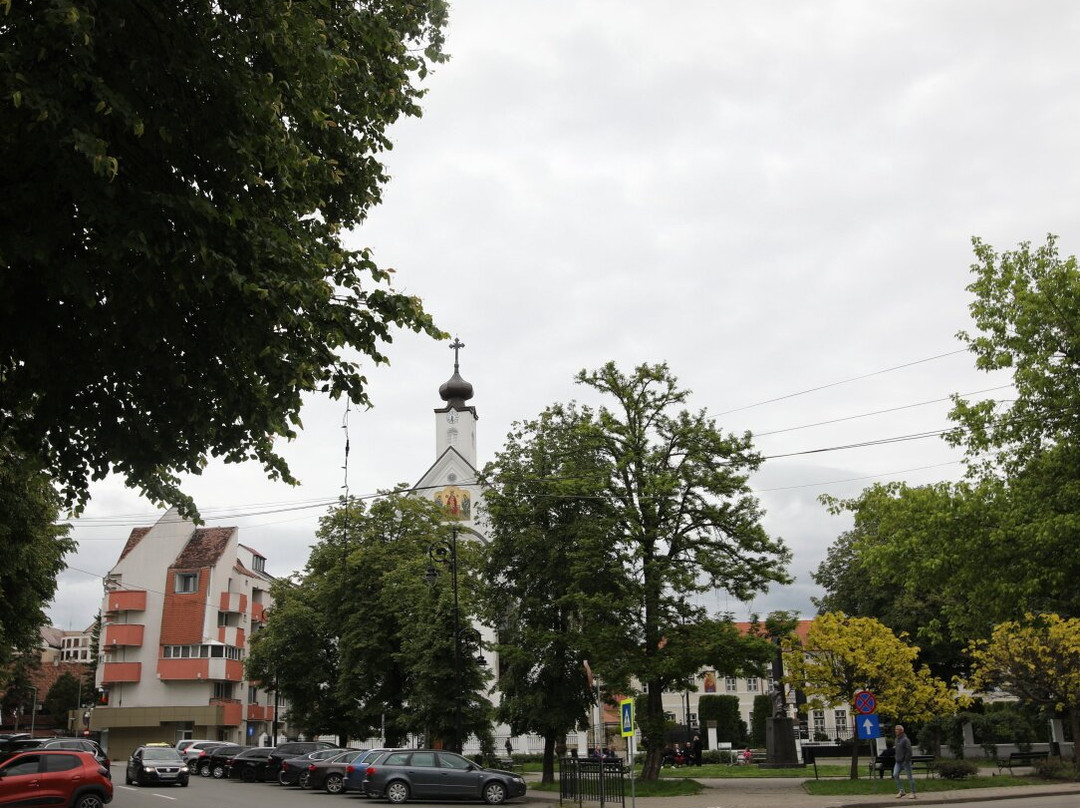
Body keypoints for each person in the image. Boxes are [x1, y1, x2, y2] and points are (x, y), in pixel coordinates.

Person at [893, 724, 916, 799]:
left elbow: (909, 751)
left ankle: (913, 793)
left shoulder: (905, 739)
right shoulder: (896, 739)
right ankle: (901, 791)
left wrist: (906, 760)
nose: (895, 731)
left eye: (897, 729)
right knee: (895, 774)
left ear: (901, 731)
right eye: (895, 729)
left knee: (909, 777)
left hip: (905, 762)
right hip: (898, 761)